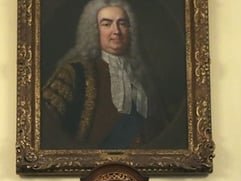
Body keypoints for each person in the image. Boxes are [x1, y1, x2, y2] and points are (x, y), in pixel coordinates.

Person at [40, 0, 170, 149]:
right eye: (107, 24)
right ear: (94, 30)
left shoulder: (143, 80)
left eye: (122, 23)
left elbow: (161, 132)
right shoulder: (73, 73)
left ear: (131, 30)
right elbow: (44, 125)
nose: (116, 31)